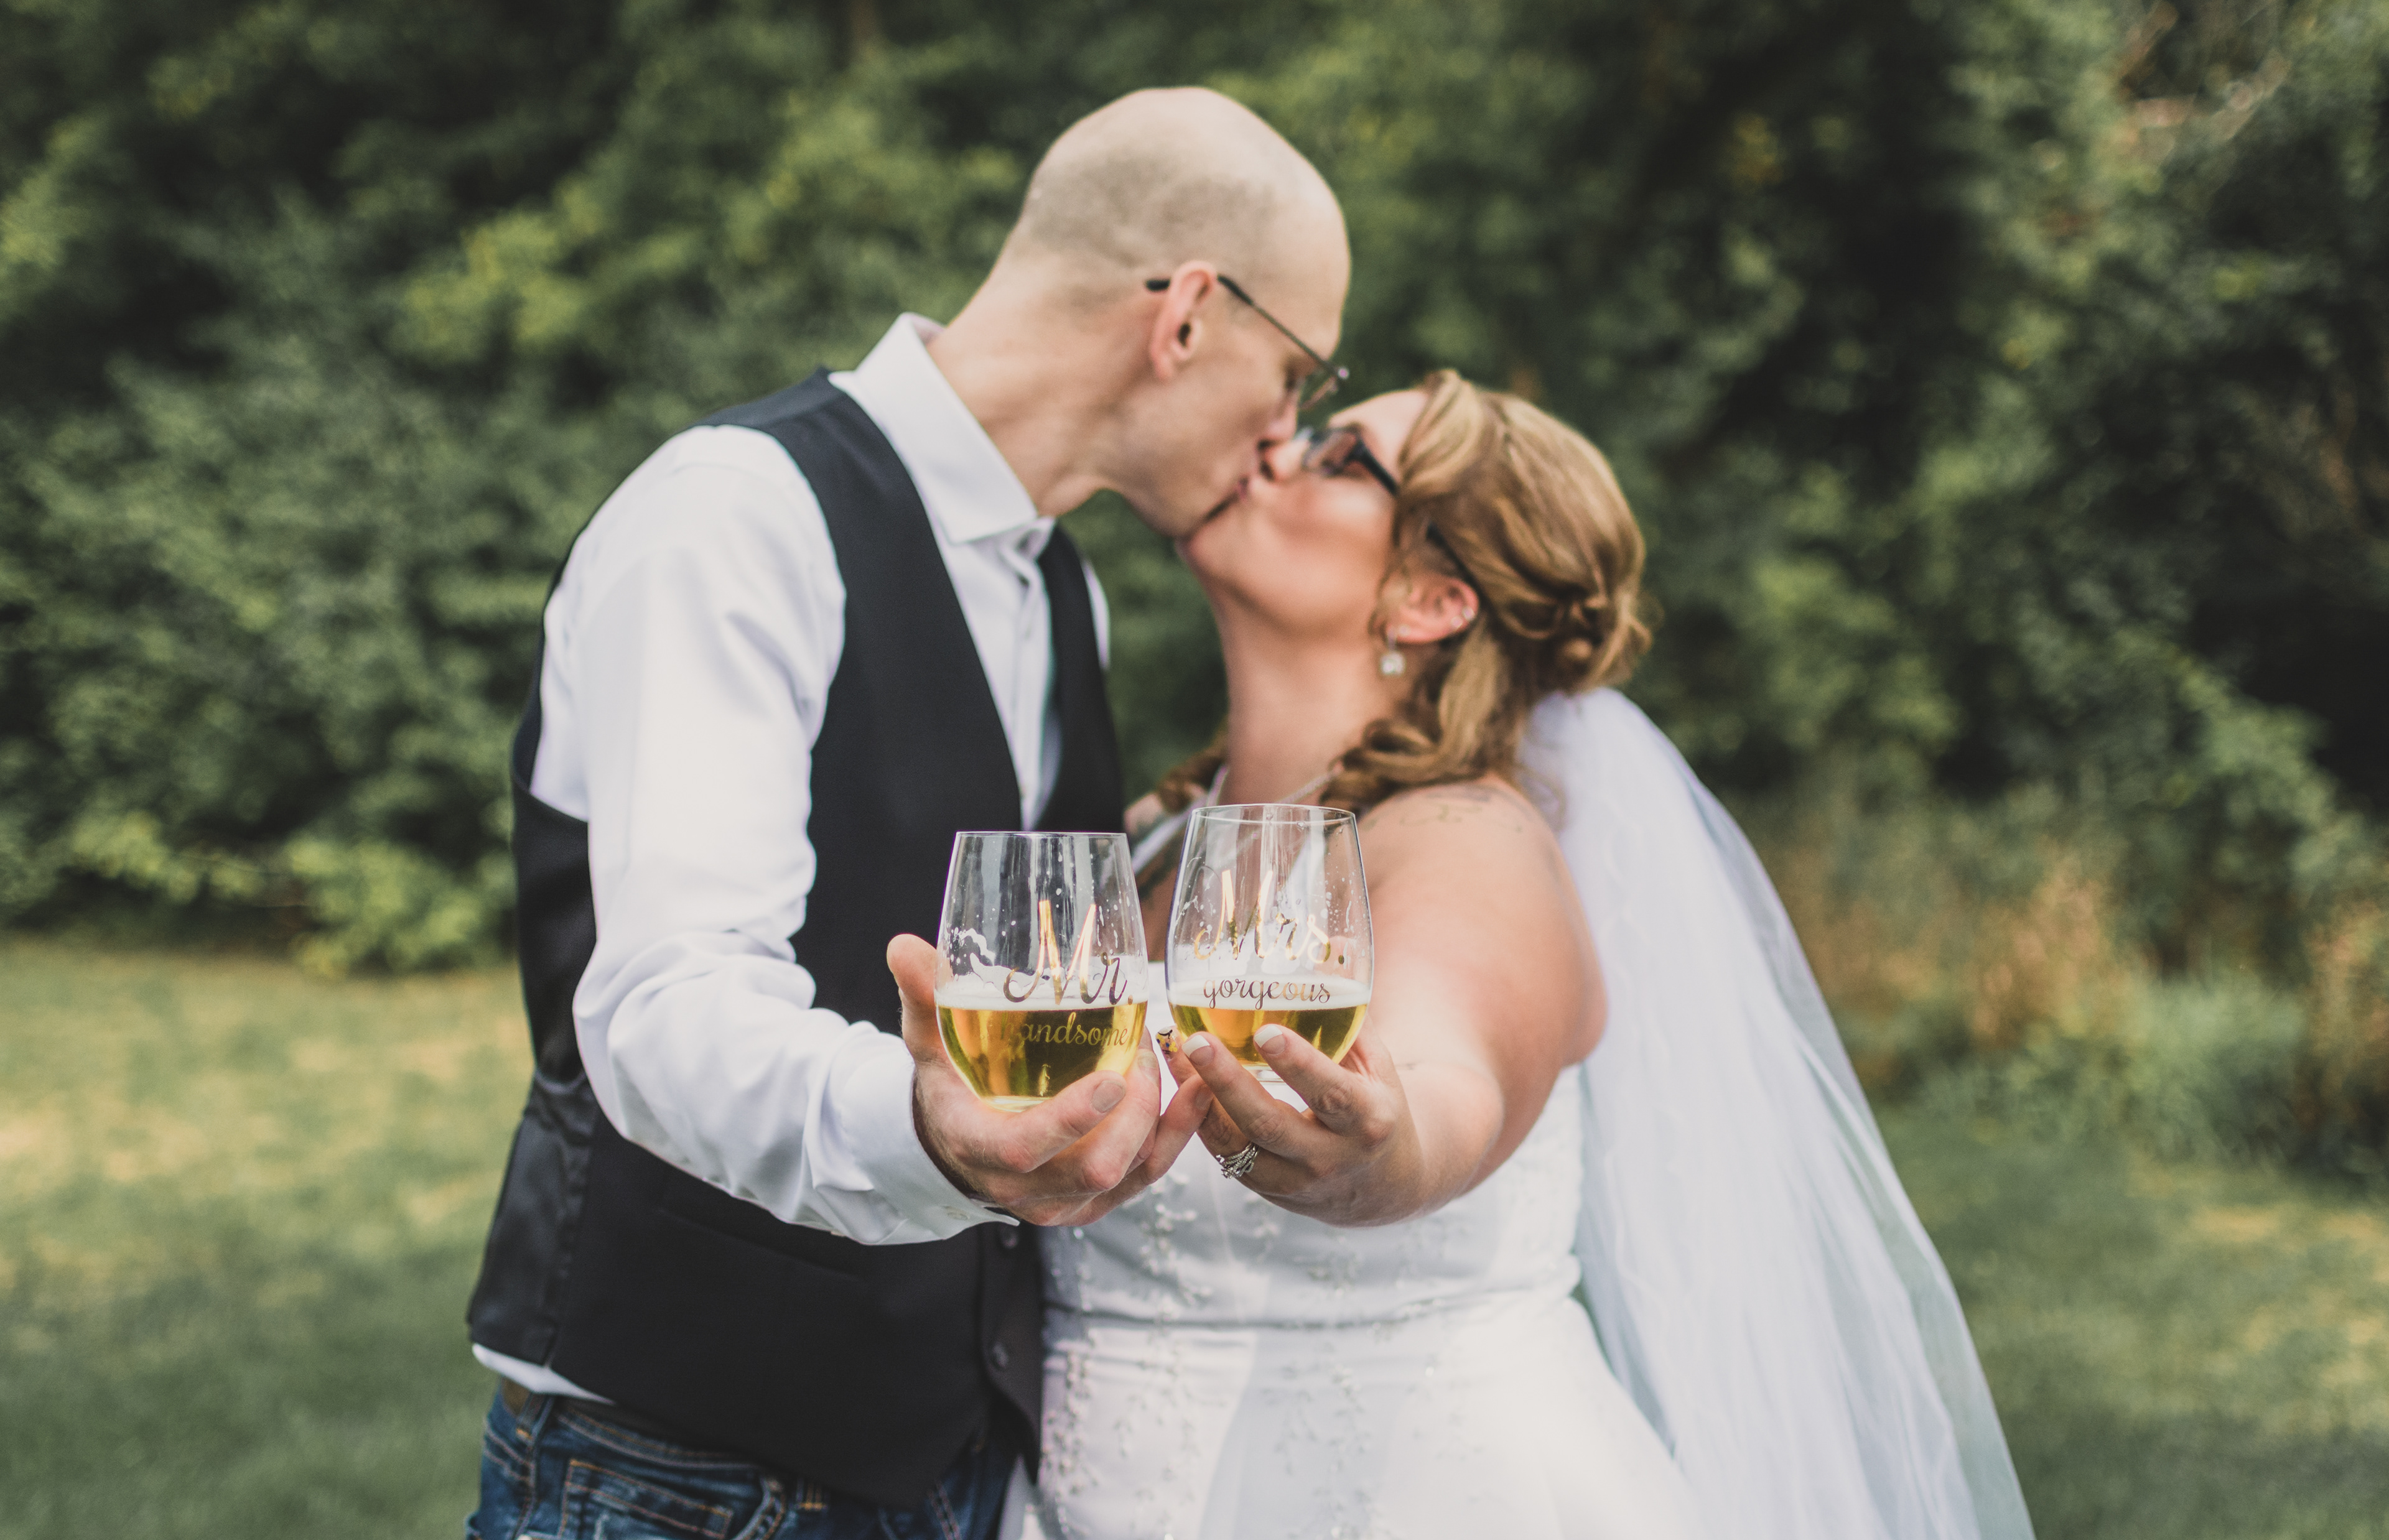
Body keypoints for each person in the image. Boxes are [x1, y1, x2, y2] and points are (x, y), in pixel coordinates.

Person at [463, 87, 1341, 1540]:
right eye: (1296, 370)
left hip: (948, 1459)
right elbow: (669, 1005)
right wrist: (926, 1127)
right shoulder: (735, 517)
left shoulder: (1065, 591)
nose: (1284, 432)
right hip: (681, 1471)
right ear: (1187, 317)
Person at [997, 374, 2037, 1539]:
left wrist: (1386, 1154)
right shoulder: (1158, 842)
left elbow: (1449, 1077)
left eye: (1341, 456)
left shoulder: (1469, 840)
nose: (1279, 444)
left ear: (1433, 600)